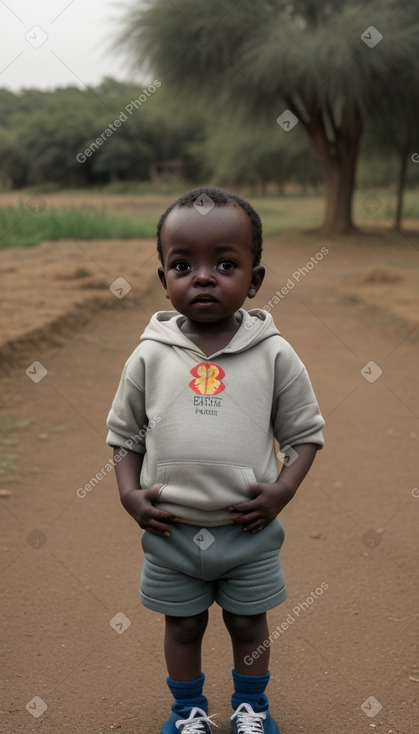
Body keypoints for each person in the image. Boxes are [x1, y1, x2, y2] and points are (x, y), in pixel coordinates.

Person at [106, 187, 325, 734]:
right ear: (164, 279)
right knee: (182, 626)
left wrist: (284, 490)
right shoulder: (149, 355)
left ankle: (252, 707)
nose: (203, 277)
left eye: (225, 264)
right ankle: (189, 712)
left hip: (248, 532)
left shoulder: (274, 353)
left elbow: (304, 434)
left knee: (250, 623)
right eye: (183, 265)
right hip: (171, 530)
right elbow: (125, 437)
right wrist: (130, 496)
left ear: (254, 279)